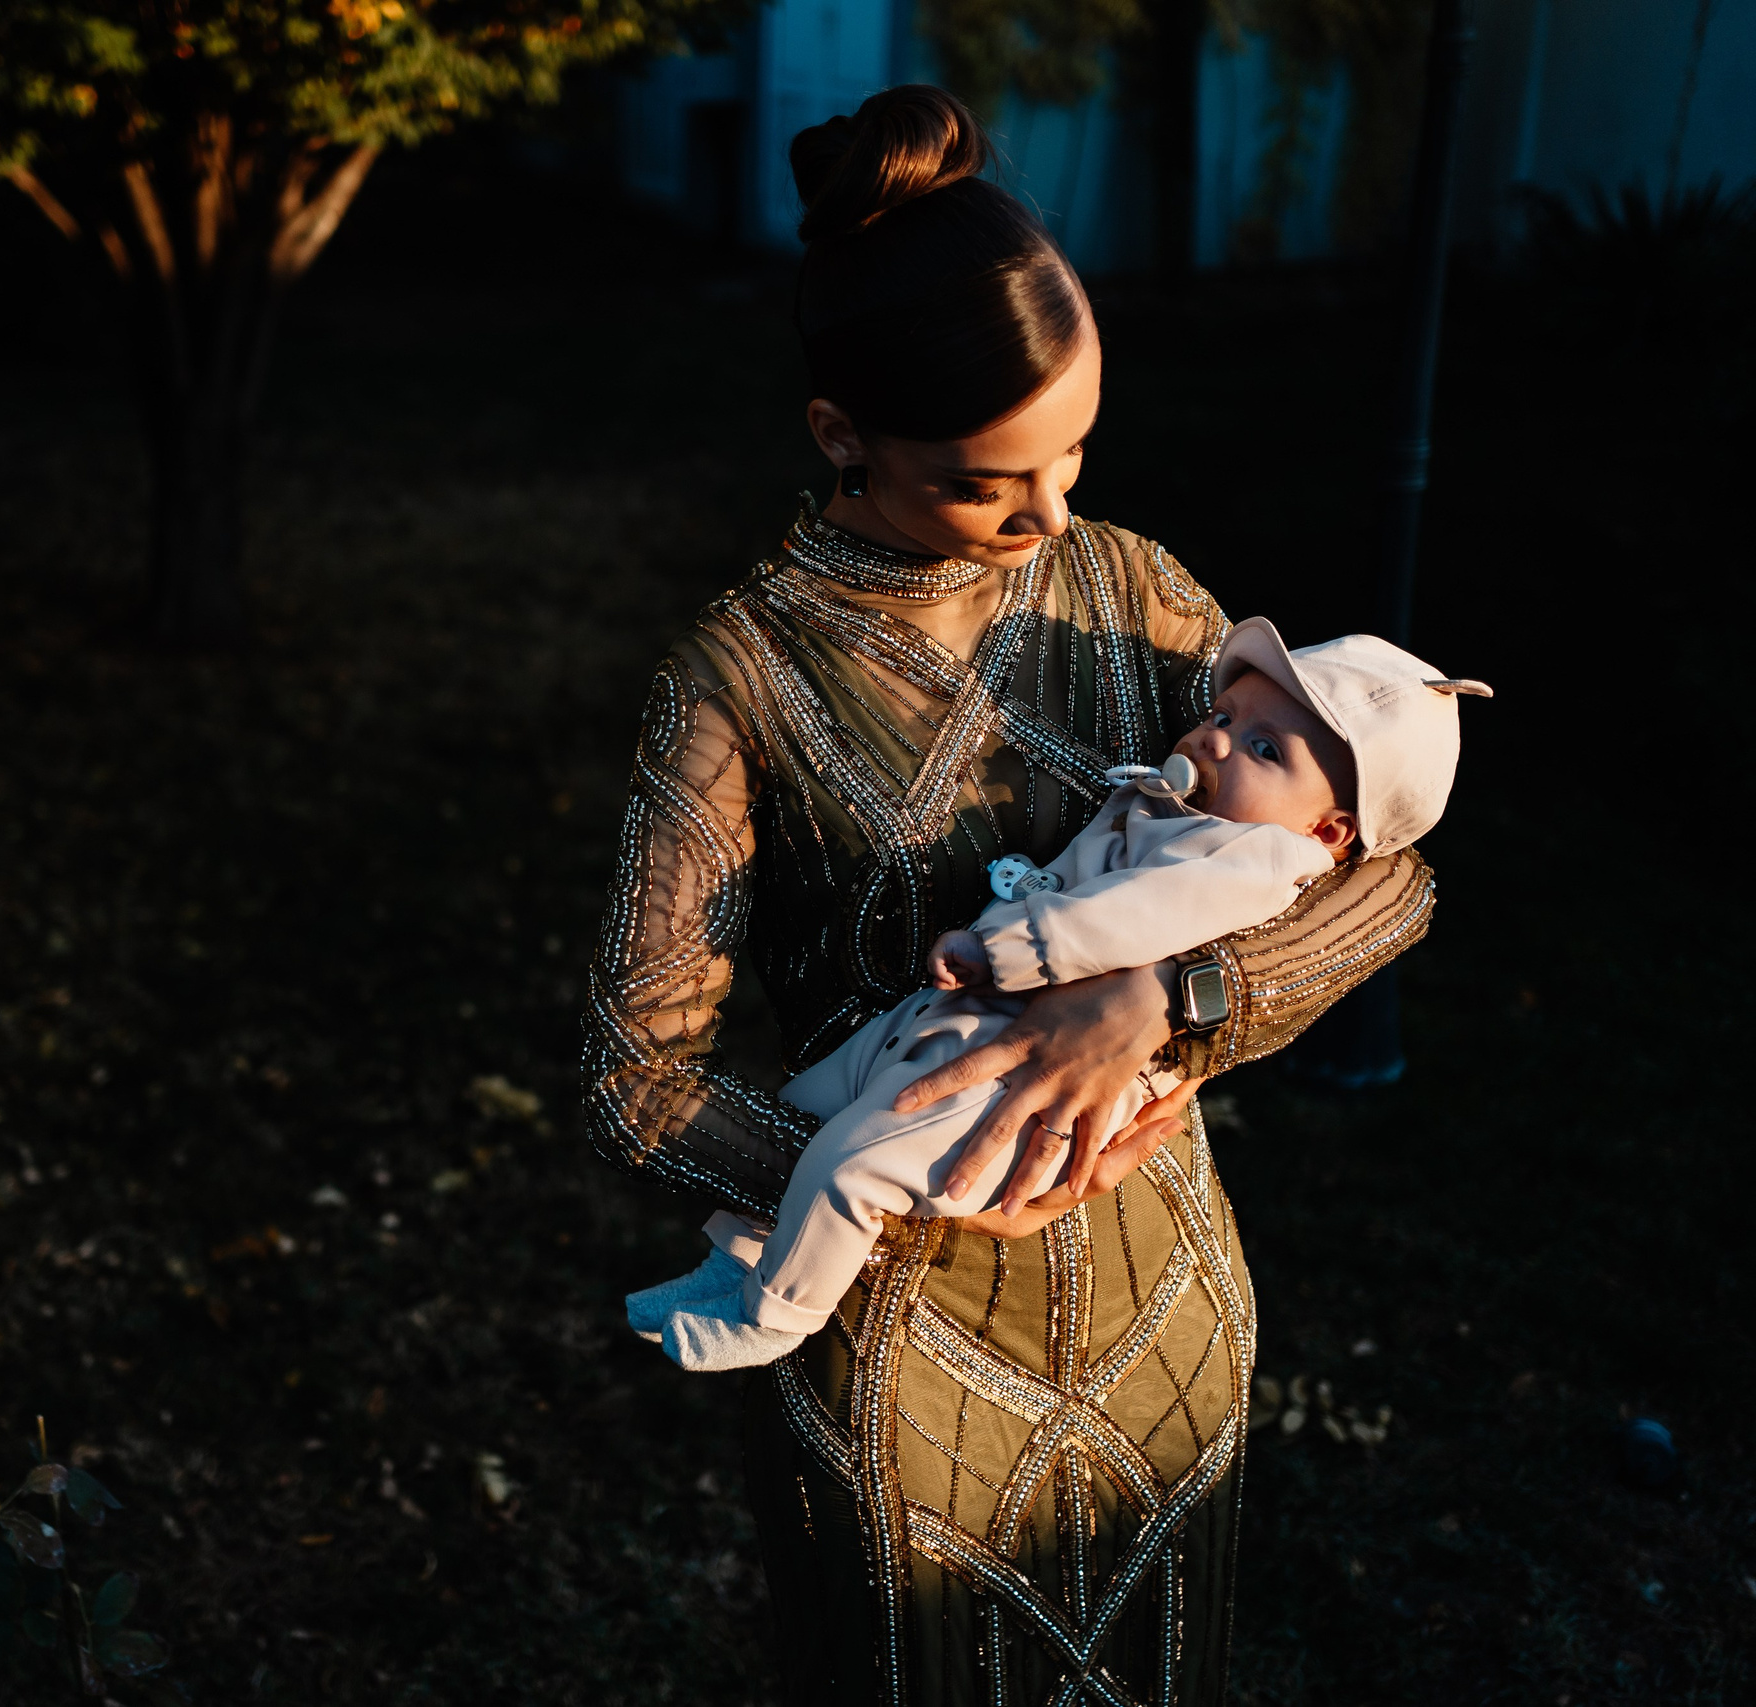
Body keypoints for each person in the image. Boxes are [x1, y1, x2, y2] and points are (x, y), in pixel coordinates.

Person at [579, 84, 1441, 1704]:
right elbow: (637, 1081)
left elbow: (1388, 884)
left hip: (1169, 1320)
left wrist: (1172, 1003)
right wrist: (901, 1159)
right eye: (994, 486)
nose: (1053, 523)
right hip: (905, 1371)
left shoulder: (1131, 588)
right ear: (843, 435)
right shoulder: (737, 680)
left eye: (1078, 458)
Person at [628, 622, 1490, 1372]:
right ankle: (730, 1261)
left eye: (1265, 749)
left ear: (1329, 831)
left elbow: (1138, 916)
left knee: (856, 1164)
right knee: (803, 1110)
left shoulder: (1260, 855)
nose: (1219, 740)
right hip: (947, 1024)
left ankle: (772, 1313)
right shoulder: (1173, 807)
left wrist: (1101, 977)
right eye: (1224, 717)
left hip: (1020, 1079)